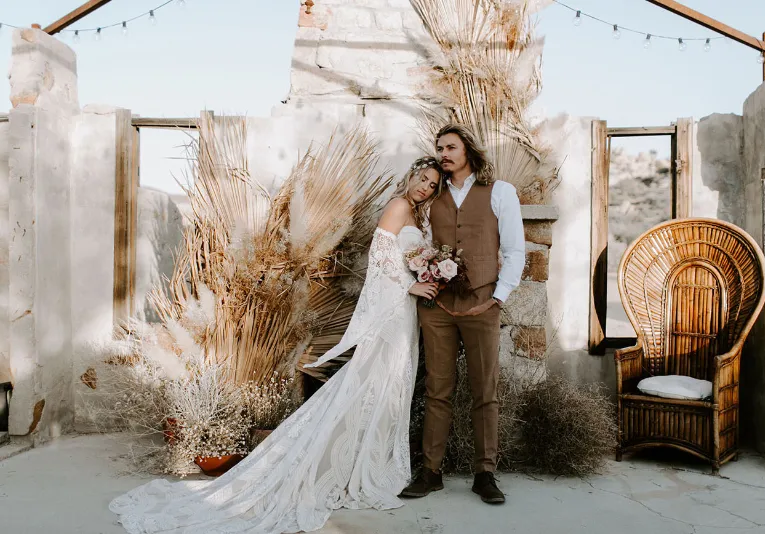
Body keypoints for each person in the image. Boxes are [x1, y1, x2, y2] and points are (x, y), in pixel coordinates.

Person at [109, 157, 446, 534]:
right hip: (392, 310)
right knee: (369, 386)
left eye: (433, 184)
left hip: (405, 313)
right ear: (412, 175)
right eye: (423, 178)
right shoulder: (399, 206)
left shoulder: (421, 215)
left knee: (390, 387)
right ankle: (350, 466)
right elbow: (380, 263)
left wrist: (430, 271)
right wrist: (412, 284)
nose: (425, 187)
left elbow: (408, 258)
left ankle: (370, 462)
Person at [400, 124, 525, 505]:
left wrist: (497, 297)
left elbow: (516, 249)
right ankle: (430, 471)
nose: (444, 153)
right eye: (439, 148)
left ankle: (484, 473)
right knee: (437, 389)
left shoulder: (500, 192)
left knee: (485, 391)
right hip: (437, 307)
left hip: (482, 303)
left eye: (450, 147)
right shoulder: (430, 196)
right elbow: (411, 243)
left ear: (468, 149)